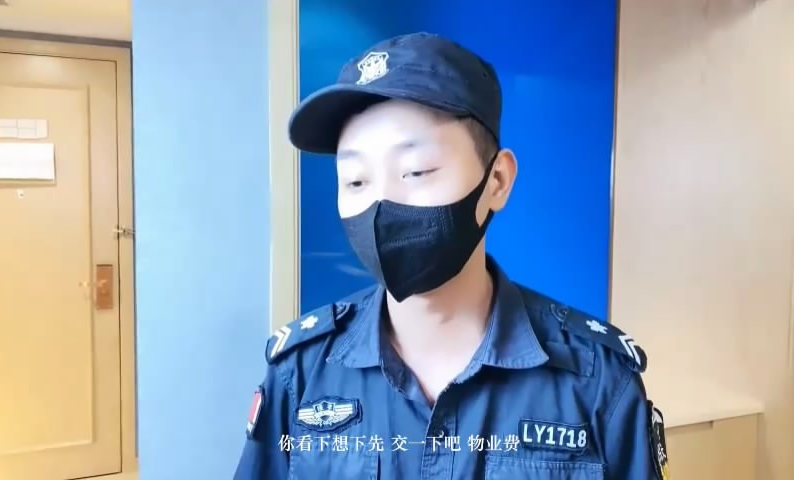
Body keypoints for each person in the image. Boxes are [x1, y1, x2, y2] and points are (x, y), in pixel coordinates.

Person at [234, 32, 669, 480]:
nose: (381, 204)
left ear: (497, 181)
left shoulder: (598, 382)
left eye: (416, 171)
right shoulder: (299, 375)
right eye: (356, 181)